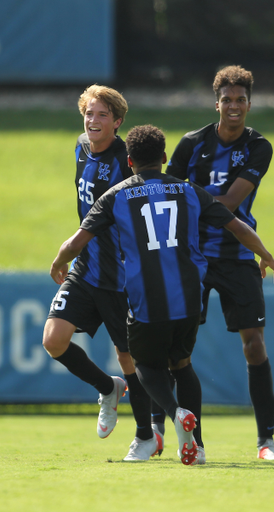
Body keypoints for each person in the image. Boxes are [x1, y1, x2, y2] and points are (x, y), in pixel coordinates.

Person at [49, 124, 274, 465]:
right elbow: (236, 225)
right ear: (164, 158)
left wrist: (59, 260)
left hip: (146, 299)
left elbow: (77, 242)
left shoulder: (116, 196)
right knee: (183, 364)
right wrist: (266, 254)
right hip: (189, 296)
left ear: (129, 161)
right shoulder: (190, 191)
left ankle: (176, 416)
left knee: (144, 365)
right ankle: (197, 447)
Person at [166, 65, 274, 460]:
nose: (234, 107)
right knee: (180, 353)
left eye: (241, 100)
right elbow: (168, 197)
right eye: (227, 100)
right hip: (192, 256)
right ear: (216, 103)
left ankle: (266, 442)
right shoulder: (190, 144)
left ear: (249, 103)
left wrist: (191, 197)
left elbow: (230, 203)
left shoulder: (259, 147)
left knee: (254, 346)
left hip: (236, 256)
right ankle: (194, 443)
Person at [42, 85, 163, 462]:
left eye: (102, 116)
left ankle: (145, 436)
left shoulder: (126, 160)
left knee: (128, 357)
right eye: (89, 113)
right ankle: (107, 389)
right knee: (53, 339)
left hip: (119, 275)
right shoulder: (80, 146)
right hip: (85, 268)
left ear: (118, 122)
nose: (93, 121)